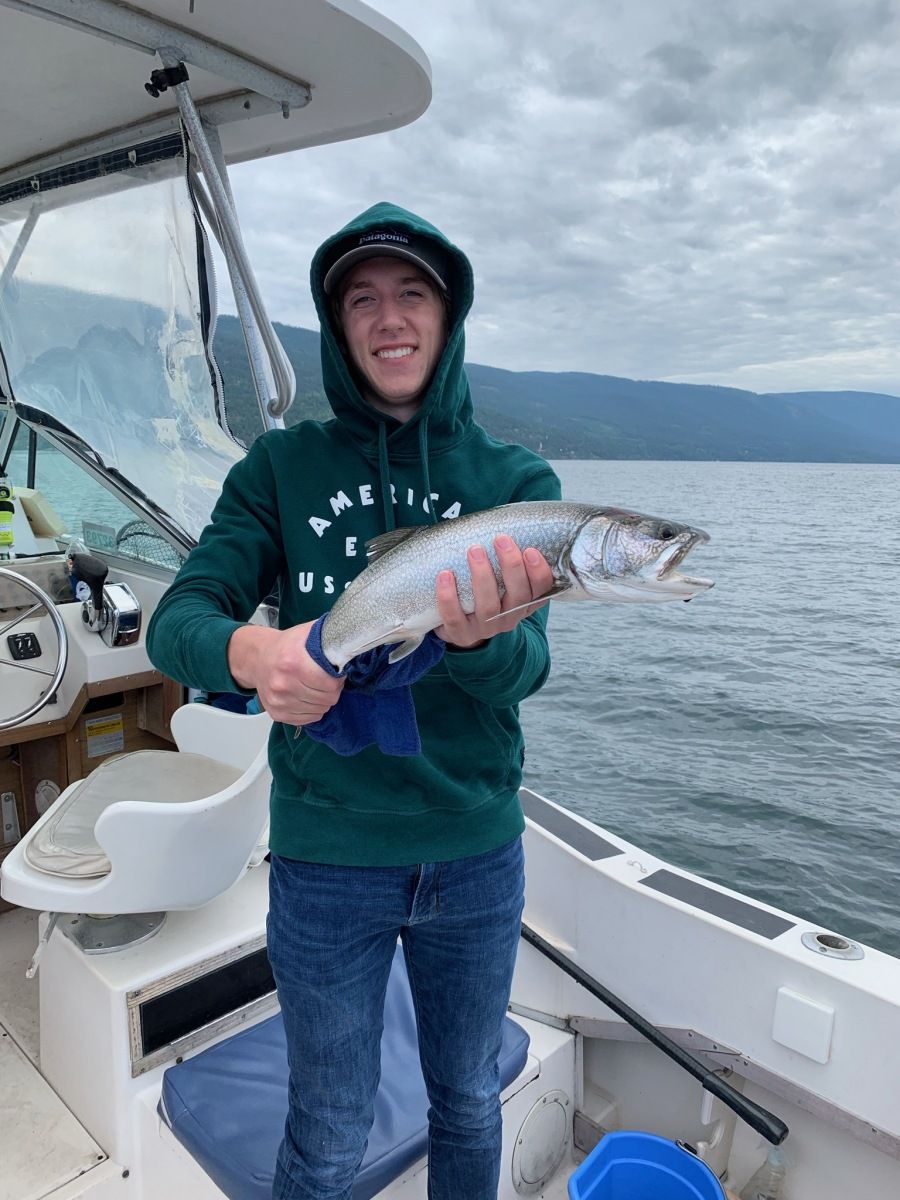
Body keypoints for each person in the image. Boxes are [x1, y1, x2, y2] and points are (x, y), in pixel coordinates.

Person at [146, 201, 562, 1200]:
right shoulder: (280, 469)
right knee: (328, 1130)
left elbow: (526, 674)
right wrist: (250, 649)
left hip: (476, 851)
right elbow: (180, 619)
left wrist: (480, 641)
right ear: (338, 329)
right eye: (362, 300)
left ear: (448, 314)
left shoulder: (516, 485)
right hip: (328, 861)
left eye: (412, 293)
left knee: (467, 1102)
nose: (389, 319)